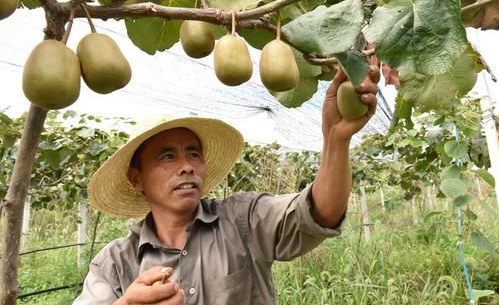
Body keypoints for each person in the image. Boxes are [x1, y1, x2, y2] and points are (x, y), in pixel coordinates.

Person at [72, 64, 380, 305]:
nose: (187, 166)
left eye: (194, 153)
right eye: (167, 156)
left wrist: (336, 139)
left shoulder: (242, 220)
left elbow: (319, 212)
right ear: (136, 178)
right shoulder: (115, 263)